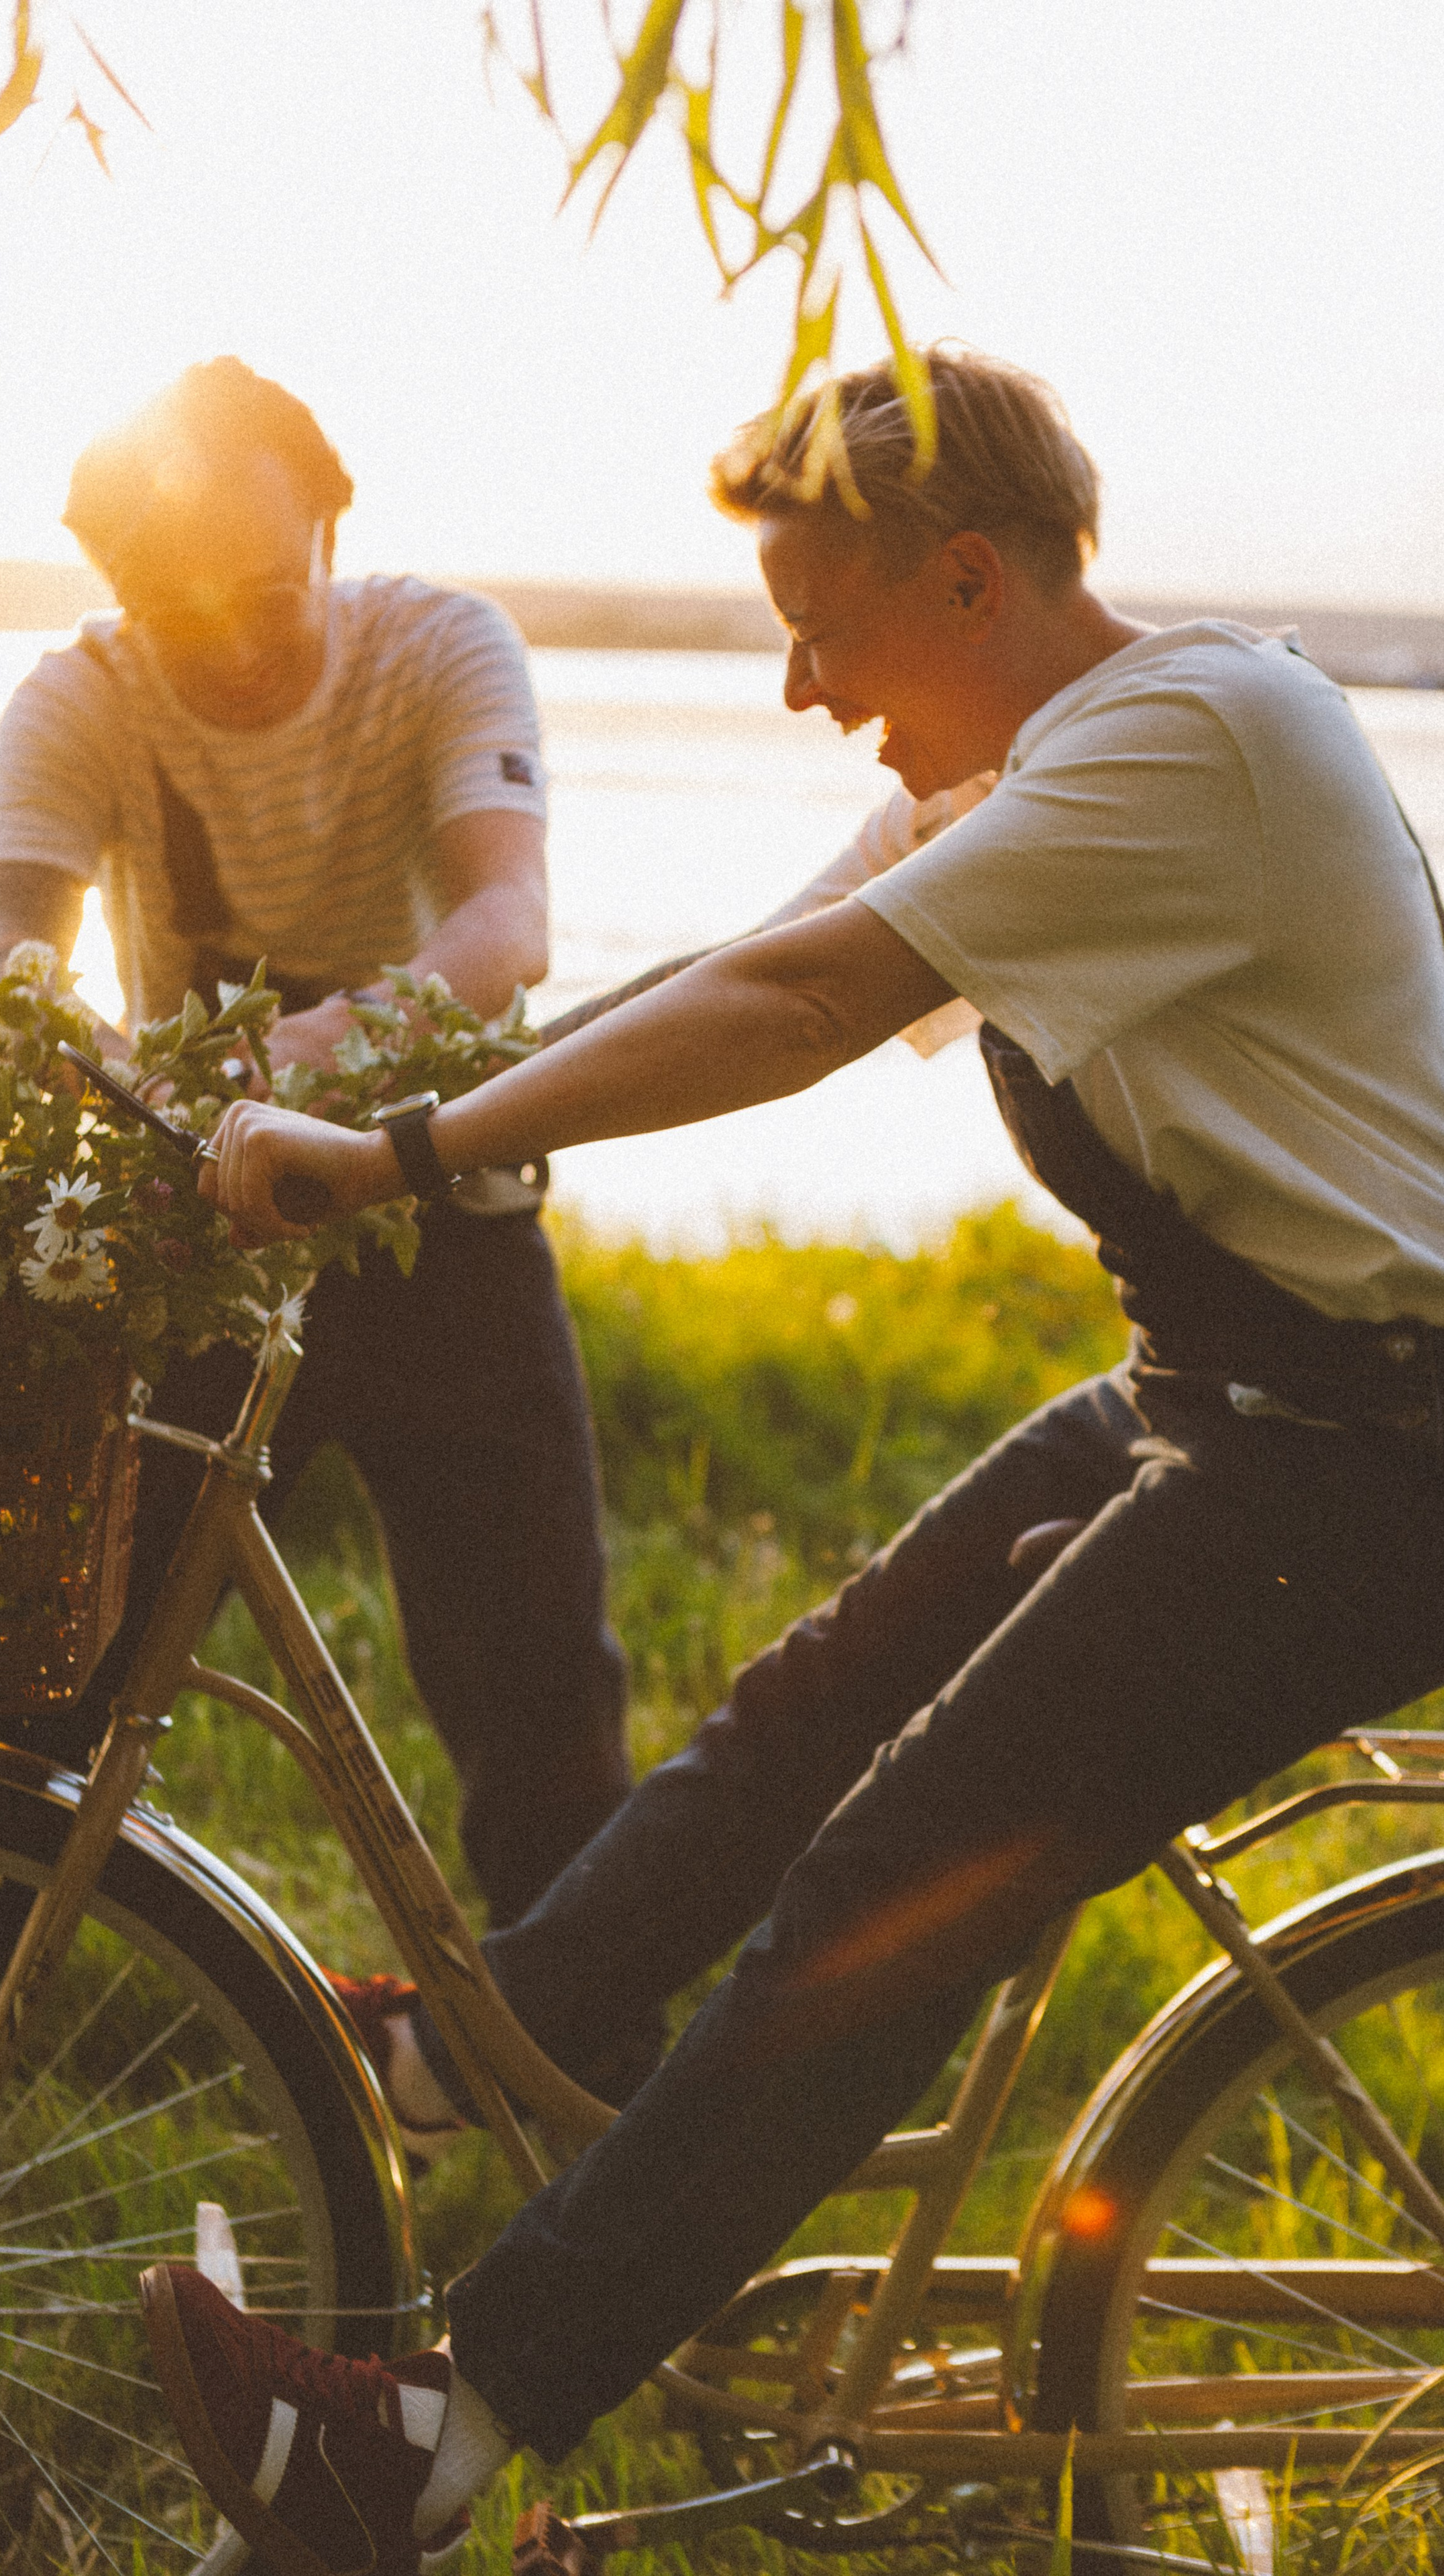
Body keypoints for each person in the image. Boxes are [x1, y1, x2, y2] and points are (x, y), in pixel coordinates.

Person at [135, 345, 1444, 2573]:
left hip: (1366, 1462)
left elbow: (808, 1009)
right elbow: (742, 966)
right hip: (1223, 1389)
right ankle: (482, 2050)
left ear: (961, 581)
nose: (804, 693)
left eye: (818, 630)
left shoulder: (1184, 741)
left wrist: (404, 1151)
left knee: (888, 1888)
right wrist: (397, 1114)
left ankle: (427, 2446)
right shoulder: (1022, 771)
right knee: (809, 1702)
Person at [0, 360, 636, 2055]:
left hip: (443, 1221)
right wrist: (127, 1091)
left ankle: (577, 2045)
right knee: (61, 1644)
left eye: (272, 593)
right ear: (115, 590)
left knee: (534, 1676)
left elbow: (505, 933)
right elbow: (6, 971)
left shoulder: (441, 647)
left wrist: (301, 1064)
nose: (242, 645)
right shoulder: (78, 698)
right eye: (183, 608)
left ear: (332, 531)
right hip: (196, 1240)